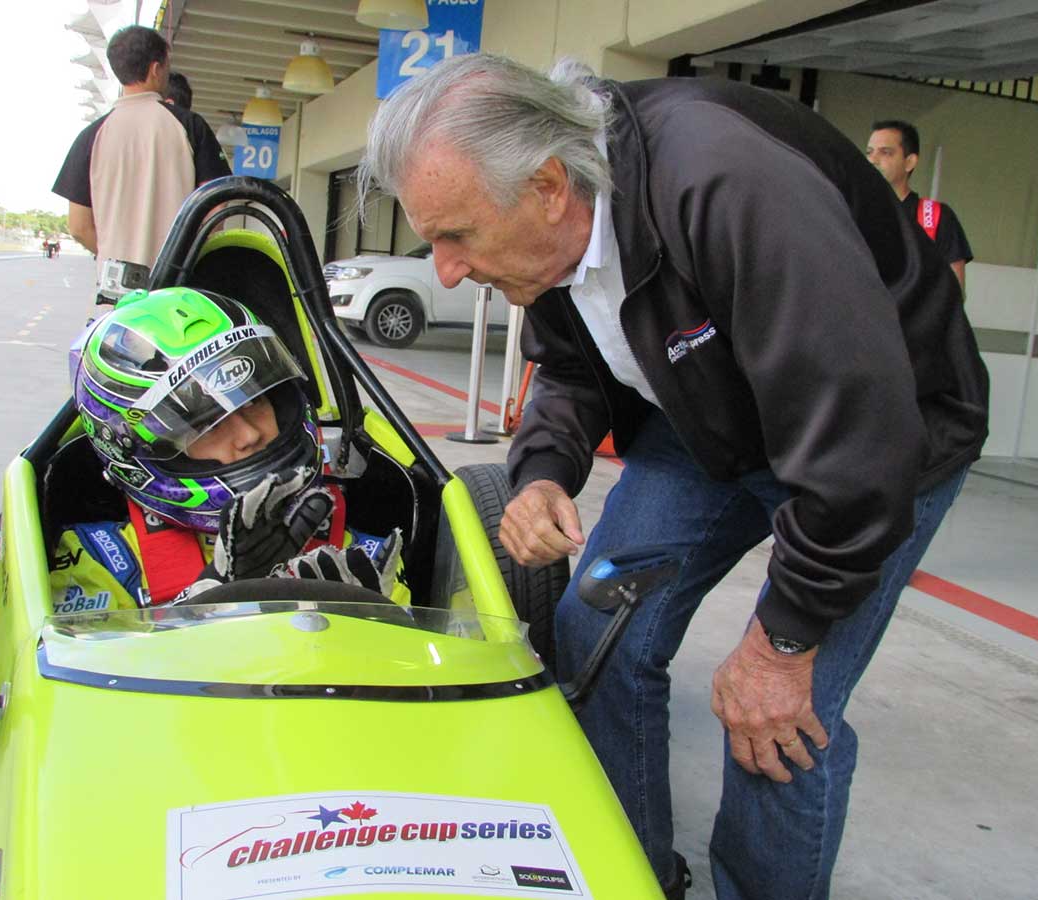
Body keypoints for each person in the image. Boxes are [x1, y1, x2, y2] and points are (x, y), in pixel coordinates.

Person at [357, 54, 989, 900]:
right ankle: (634, 874)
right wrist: (543, 473)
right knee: (596, 630)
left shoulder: (725, 184)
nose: (443, 270)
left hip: (882, 444)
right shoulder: (549, 227)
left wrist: (784, 639)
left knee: (775, 719)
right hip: (713, 425)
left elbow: (857, 440)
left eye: (455, 235)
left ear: (548, 185)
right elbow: (572, 369)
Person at [51, 286, 401, 614]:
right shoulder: (104, 561)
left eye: (256, 401)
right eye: (206, 425)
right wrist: (206, 600)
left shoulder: (366, 560)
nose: (248, 434)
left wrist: (363, 623)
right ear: (138, 452)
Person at [52, 26, 230, 316]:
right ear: (156, 69)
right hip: (178, 299)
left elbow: (79, 226)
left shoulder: (92, 136)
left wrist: (115, 254)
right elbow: (217, 208)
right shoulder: (189, 126)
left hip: (116, 302)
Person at [867, 119, 973, 293]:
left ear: (909, 162)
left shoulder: (935, 217)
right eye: (869, 152)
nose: (873, 160)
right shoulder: (856, 211)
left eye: (885, 153)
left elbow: (955, 292)